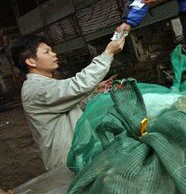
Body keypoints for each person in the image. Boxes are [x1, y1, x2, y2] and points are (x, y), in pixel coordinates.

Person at [9, 34, 126, 170]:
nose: (54, 54)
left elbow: (73, 107)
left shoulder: (45, 85)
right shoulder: (37, 89)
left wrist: (95, 91)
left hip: (76, 155)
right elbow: (79, 84)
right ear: (31, 61)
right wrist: (108, 53)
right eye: (47, 52)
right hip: (66, 162)